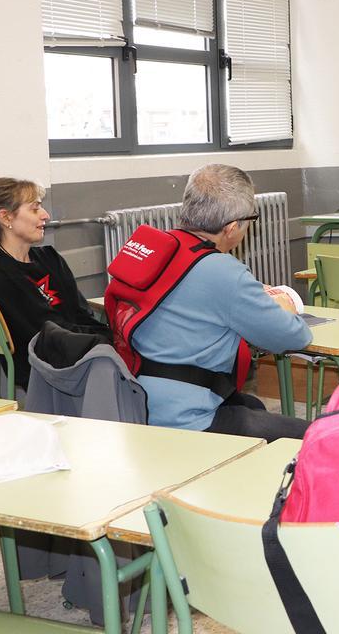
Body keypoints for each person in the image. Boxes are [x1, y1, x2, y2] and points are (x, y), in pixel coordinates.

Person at [123, 164, 310, 441]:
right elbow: (294, 336)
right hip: (188, 419)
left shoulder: (159, 249)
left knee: (253, 406)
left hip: (136, 401)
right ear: (232, 227)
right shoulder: (225, 273)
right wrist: (284, 306)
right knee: (311, 435)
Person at [0, 177, 109, 391]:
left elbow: (80, 313)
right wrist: (107, 341)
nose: (45, 215)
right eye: (34, 209)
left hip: (74, 348)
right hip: (45, 366)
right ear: (6, 217)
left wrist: (114, 335)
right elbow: (48, 333)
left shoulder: (49, 257)